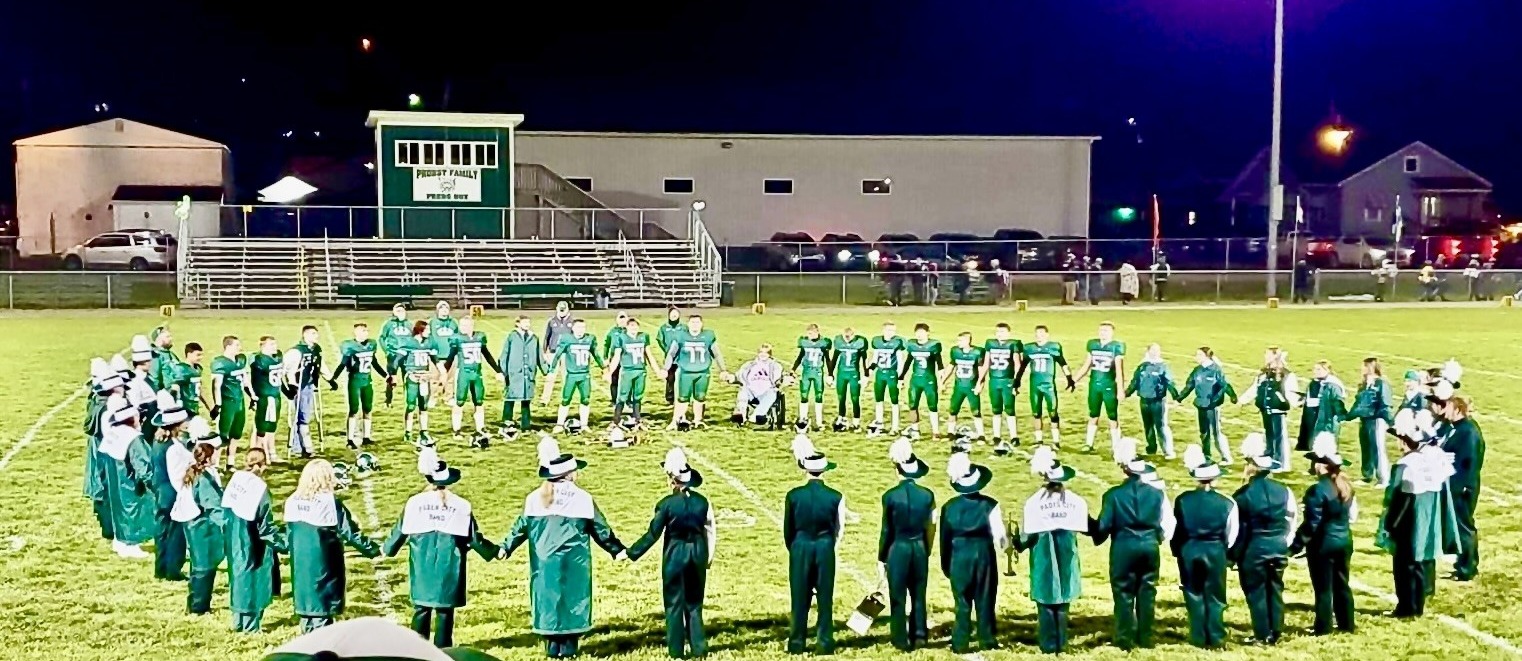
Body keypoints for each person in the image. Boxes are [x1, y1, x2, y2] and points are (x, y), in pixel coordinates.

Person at [501, 436, 627, 659]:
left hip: (544, 560)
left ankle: (552, 649)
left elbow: (521, 527)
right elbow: (600, 529)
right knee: (573, 600)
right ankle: (569, 649)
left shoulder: (534, 498)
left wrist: (505, 547)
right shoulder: (583, 498)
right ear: (570, 474)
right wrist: (616, 550)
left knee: (549, 600)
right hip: (574, 560)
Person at [384, 448, 499, 648]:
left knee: (422, 608)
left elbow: (400, 530)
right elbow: (474, 538)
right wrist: (494, 551)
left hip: (422, 564)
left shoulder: (415, 503)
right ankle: (444, 650)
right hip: (449, 566)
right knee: (445, 611)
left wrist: (387, 549)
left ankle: (417, 649)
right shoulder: (461, 505)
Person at [627, 449, 715, 659]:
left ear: (671, 479)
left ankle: (676, 650)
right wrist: (708, 559)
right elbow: (711, 532)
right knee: (694, 603)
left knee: (674, 603)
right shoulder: (703, 502)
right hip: (698, 552)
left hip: (675, 553)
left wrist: (631, 553)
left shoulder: (666, 504)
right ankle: (699, 648)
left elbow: (653, 534)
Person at [1091, 438, 1172, 650]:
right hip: (1149, 545)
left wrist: (1090, 526)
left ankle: (1124, 639)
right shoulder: (1157, 494)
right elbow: (1165, 523)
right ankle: (1146, 638)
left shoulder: (1113, 495)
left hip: (1124, 548)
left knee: (1123, 593)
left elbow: (1103, 527)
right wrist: (1155, 539)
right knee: (1147, 592)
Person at [1377, 412, 1459, 618]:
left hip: (1408, 521)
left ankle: (1406, 607)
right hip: (1424, 517)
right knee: (1419, 564)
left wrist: (1390, 526)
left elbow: (1398, 499)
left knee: (1404, 566)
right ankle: (1417, 606)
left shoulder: (1406, 465)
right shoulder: (1428, 459)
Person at [284, 459, 382, 632]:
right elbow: (350, 533)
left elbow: (288, 535)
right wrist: (374, 550)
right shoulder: (329, 503)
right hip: (324, 566)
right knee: (322, 615)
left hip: (300, 566)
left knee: (307, 614)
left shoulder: (292, 500)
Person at [1016, 448, 1086, 654]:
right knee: (1064, 600)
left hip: (1043, 555)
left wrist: (1017, 544)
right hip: (1067, 553)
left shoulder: (1034, 502)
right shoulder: (1075, 500)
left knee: (1046, 600)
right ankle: (1062, 643)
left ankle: (1048, 644)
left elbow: (1027, 536)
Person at [783, 435, 846, 655]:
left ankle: (796, 641)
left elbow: (788, 529)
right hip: (825, 547)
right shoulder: (836, 496)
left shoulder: (793, 495)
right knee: (825, 597)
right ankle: (825, 641)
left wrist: (796, 547)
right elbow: (840, 528)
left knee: (799, 596)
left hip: (800, 546)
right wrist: (830, 545)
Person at [1290, 433, 1358, 635]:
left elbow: (1312, 523)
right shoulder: (1346, 486)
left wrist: (1296, 545)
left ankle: (1323, 627)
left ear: (1321, 465)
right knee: (1342, 584)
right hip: (1344, 540)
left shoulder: (1317, 490)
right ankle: (1347, 623)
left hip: (1323, 544)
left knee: (1323, 588)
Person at [1231, 433, 1295, 645]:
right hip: (1278, 546)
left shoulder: (1242, 495)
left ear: (1251, 464)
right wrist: (1285, 541)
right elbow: (1291, 519)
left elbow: (1238, 531)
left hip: (1254, 550)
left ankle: (1261, 633)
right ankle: (1275, 630)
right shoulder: (1285, 490)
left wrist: (1233, 556)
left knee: (1256, 592)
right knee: (1275, 588)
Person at [1172, 446, 1238, 649]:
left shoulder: (1183, 499)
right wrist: (1224, 550)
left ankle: (1197, 635)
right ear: (1215, 478)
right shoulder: (1227, 502)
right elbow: (1232, 534)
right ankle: (1216, 635)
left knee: (1193, 592)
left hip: (1190, 549)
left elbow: (1177, 529)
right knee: (1216, 595)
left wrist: (1178, 551)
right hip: (1215, 549)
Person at [221, 447, 286, 633]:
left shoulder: (235, 480)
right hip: (253, 545)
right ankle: (251, 627)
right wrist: (284, 544)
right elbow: (265, 527)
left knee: (238, 579)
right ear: (264, 465)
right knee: (254, 583)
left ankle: (238, 622)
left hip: (234, 540)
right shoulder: (260, 490)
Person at [880, 437, 934, 651]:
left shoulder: (890, 496)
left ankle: (900, 638)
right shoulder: (927, 495)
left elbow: (887, 530)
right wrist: (927, 548)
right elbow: (931, 525)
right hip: (919, 547)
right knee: (919, 594)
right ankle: (920, 635)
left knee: (898, 595)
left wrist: (881, 557)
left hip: (898, 548)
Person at [175, 417, 226, 615]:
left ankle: (197, 604)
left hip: (193, 521)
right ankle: (198, 606)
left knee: (200, 564)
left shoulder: (197, 470)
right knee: (204, 564)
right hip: (200, 525)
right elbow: (212, 505)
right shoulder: (205, 476)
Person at [99, 388, 156, 559]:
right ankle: (130, 543)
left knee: (118, 509)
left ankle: (120, 540)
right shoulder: (133, 438)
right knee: (132, 509)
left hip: (113, 479)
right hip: (129, 482)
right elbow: (142, 467)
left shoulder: (113, 432)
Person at [1436, 394, 1484, 582]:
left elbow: (1471, 462)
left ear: (1457, 409)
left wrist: (1464, 486)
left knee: (1464, 526)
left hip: (1463, 487)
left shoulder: (1468, 432)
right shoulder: (1457, 429)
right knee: (1458, 525)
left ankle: (1468, 568)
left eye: (1447, 407)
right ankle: (1461, 563)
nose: (1444, 410)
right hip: (1455, 484)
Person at [149, 390, 191, 581]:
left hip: (159, 492)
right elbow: (176, 477)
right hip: (171, 494)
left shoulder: (158, 442)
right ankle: (173, 569)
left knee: (162, 532)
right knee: (175, 534)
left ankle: (161, 568)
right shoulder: (173, 447)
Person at [444, 316, 502, 447]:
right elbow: (451, 357)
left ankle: (480, 428)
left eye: (466, 325)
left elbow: (487, 355)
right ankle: (456, 430)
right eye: (462, 325)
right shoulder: (457, 339)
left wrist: (497, 370)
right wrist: (444, 372)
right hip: (463, 373)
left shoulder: (479, 337)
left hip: (477, 373)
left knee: (479, 402)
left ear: (472, 325)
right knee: (459, 402)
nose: (463, 328)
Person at [329, 323, 388, 449]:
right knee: (354, 410)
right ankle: (350, 439)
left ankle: (366, 437)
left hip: (367, 380)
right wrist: (333, 378)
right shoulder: (350, 346)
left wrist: (386, 376)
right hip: (355, 381)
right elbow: (343, 364)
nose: (366, 332)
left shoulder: (371, 344)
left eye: (366, 330)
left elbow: (375, 363)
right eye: (363, 330)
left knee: (368, 409)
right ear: (356, 333)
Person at [85, 358, 124, 543]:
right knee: (106, 487)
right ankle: (109, 528)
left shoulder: (95, 399)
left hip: (98, 449)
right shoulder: (105, 408)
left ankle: (107, 527)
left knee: (101, 487)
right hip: (104, 452)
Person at [665, 315, 727, 430]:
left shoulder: (708, 336)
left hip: (702, 372)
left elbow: (717, 354)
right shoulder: (681, 336)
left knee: (700, 397)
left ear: (702, 324)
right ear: (688, 324)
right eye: (692, 322)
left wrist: (723, 369)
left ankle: (698, 420)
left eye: (697, 322)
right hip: (685, 372)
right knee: (682, 398)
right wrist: (666, 368)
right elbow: (671, 353)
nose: (694, 325)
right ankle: (676, 420)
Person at [1176, 347, 1236, 464]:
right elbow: (1190, 385)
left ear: (1206, 356)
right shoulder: (1197, 370)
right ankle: (1207, 456)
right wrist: (1180, 398)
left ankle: (1226, 457)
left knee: (1216, 432)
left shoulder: (1216, 370)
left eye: (1199, 354)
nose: (1196, 357)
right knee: (1204, 433)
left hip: (1212, 407)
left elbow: (1224, 385)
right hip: (1201, 405)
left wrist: (1232, 396)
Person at [1017, 325, 1074, 447]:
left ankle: (1056, 441)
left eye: (1042, 334)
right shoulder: (1029, 348)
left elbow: (1063, 363)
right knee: (1036, 413)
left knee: (1053, 412)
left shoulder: (1053, 347)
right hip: (1034, 385)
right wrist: (1017, 381)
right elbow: (1022, 367)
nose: (1039, 336)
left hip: (1048, 385)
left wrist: (1069, 378)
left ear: (1047, 335)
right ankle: (1039, 441)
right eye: (1037, 334)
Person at [1076, 321, 1126, 453]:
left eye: (1106, 331)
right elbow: (1087, 365)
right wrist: (1073, 380)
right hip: (1094, 385)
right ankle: (1088, 443)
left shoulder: (1116, 346)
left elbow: (1120, 370)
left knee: (1112, 416)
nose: (1102, 333)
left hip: (1109, 385)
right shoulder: (1093, 344)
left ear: (1112, 332)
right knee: (1093, 414)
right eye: (1101, 330)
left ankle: (1116, 446)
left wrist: (1120, 389)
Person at [1248, 348, 1298, 472]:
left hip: (1278, 410)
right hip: (1265, 409)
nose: (1265, 357)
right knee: (1269, 435)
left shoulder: (1286, 375)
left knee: (1279, 437)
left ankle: (1281, 462)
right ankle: (1270, 456)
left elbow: (1291, 392)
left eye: (1268, 354)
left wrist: (1298, 403)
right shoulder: (1264, 374)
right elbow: (1255, 388)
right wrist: (1243, 400)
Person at [1126, 344, 1180, 458]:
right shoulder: (1142, 366)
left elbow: (1170, 382)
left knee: (1161, 426)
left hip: (1158, 401)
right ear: (1148, 351)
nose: (1155, 352)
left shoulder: (1162, 366)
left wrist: (1176, 397)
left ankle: (1167, 451)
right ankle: (1151, 449)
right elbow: (1135, 382)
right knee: (1148, 426)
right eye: (1153, 350)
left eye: (1157, 350)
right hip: (1144, 400)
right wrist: (1126, 394)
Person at [211, 336, 255, 470]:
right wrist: (217, 404)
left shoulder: (240, 361)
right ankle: (216, 464)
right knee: (222, 435)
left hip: (239, 401)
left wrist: (252, 396)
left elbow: (246, 381)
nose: (239, 348)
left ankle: (230, 463)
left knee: (236, 434)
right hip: (227, 402)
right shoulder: (220, 363)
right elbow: (216, 385)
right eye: (236, 345)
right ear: (228, 347)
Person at [398, 321, 445, 447]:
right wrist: (392, 374)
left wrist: (442, 371)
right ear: (420, 330)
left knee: (423, 405)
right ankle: (408, 431)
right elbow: (397, 359)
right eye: (427, 329)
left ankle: (424, 431)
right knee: (411, 405)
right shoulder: (409, 343)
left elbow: (435, 358)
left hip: (424, 376)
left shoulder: (430, 342)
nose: (429, 332)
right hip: (412, 376)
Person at [606, 317, 658, 427]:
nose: (634, 328)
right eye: (631, 326)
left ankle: (637, 418)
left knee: (638, 395)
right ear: (627, 327)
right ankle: (616, 419)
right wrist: (610, 372)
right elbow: (616, 356)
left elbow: (649, 355)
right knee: (622, 395)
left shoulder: (643, 337)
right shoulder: (622, 338)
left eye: (635, 326)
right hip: (627, 370)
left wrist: (657, 370)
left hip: (640, 370)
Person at [1349, 357, 1394, 487]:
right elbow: (1359, 403)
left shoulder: (1381, 384)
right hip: (1364, 419)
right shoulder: (1363, 384)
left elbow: (1385, 403)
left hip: (1376, 419)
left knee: (1377, 448)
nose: (1361, 369)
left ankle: (1383, 478)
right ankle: (1367, 475)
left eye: (1364, 366)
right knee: (1366, 447)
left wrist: (1389, 420)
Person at [982, 323, 1023, 451]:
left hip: (1008, 380)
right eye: (998, 332)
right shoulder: (990, 343)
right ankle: (996, 435)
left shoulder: (1014, 344)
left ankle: (1014, 436)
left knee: (1010, 409)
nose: (1000, 334)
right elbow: (986, 364)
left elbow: (1017, 365)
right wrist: (980, 381)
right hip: (994, 380)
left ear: (1009, 333)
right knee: (996, 409)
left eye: (1003, 332)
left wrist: (1017, 382)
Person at [500, 315, 544, 433]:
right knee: (510, 398)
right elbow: (505, 354)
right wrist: (503, 371)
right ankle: (507, 421)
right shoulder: (512, 337)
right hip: (514, 373)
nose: (527, 324)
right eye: (524, 322)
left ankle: (525, 424)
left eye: (528, 322)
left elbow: (539, 355)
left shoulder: (534, 338)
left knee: (526, 400)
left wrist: (545, 369)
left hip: (528, 374)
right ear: (518, 324)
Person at [287, 325, 324, 458]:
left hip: (309, 384)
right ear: (305, 335)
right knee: (301, 416)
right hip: (299, 386)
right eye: (313, 334)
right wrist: (291, 385)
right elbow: (287, 369)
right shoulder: (296, 351)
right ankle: (302, 446)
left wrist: (330, 379)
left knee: (305, 415)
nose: (316, 336)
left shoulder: (316, 349)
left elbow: (320, 365)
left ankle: (301, 446)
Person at [902, 323, 945, 436]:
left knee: (932, 406)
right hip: (915, 379)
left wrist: (942, 381)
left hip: (929, 379)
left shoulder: (933, 345)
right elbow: (908, 361)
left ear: (928, 333)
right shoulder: (912, 345)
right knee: (912, 405)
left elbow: (939, 364)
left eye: (922, 332)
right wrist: (901, 377)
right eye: (917, 333)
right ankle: (915, 430)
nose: (919, 335)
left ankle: (936, 432)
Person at [250, 336, 285, 461]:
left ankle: (271, 452)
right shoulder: (259, 360)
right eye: (271, 345)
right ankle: (261, 454)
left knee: (271, 426)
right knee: (262, 427)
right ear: (263, 346)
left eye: (275, 344)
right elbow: (253, 379)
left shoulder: (277, 357)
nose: (275, 347)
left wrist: (286, 390)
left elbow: (280, 377)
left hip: (275, 395)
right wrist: (253, 397)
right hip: (265, 396)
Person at [867, 322, 906, 433]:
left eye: (893, 331)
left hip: (892, 373)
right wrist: (869, 371)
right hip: (880, 374)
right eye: (889, 330)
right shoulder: (877, 342)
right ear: (883, 330)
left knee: (894, 400)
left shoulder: (897, 343)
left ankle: (895, 426)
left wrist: (900, 377)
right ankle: (879, 422)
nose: (891, 333)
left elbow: (900, 361)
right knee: (879, 399)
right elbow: (875, 359)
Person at [732, 344, 783, 426]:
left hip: (766, 390)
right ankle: (741, 414)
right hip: (750, 389)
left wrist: (782, 381)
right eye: (761, 352)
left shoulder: (775, 366)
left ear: (769, 355)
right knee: (743, 391)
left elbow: (778, 377)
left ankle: (757, 415)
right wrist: (732, 378)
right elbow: (740, 375)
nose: (763, 354)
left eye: (766, 353)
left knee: (772, 394)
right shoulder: (749, 364)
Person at [792, 324, 831, 430]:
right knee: (804, 394)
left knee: (819, 395)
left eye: (812, 333)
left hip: (817, 371)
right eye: (808, 333)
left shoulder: (823, 343)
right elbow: (800, 357)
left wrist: (830, 374)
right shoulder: (805, 343)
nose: (810, 335)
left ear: (817, 332)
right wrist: (793, 369)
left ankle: (819, 420)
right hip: (806, 371)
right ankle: (803, 417)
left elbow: (827, 359)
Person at [830, 327, 868, 432]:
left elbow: (864, 359)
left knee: (855, 398)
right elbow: (834, 359)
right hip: (841, 373)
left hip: (853, 373)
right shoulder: (839, 342)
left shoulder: (860, 342)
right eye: (845, 337)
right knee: (841, 397)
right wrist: (830, 374)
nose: (847, 339)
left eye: (849, 337)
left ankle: (856, 422)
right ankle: (841, 417)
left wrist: (866, 375)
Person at [540, 301, 576, 406]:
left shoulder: (572, 322)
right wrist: (544, 351)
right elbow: (547, 337)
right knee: (550, 376)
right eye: (560, 310)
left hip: (566, 354)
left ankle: (566, 398)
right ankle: (545, 399)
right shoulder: (551, 321)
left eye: (563, 310)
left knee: (566, 377)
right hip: (553, 353)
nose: (561, 312)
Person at [428, 301, 462, 401]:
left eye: (446, 308)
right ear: (437, 310)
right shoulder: (432, 322)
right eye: (442, 309)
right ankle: (433, 397)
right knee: (434, 378)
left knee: (450, 379)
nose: (444, 311)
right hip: (436, 356)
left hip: (450, 355)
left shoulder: (453, 323)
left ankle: (449, 397)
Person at [657, 305, 684, 405]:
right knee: (670, 377)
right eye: (672, 315)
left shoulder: (683, 327)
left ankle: (682, 395)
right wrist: (666, 350)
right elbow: (660, 340)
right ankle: (670, 397)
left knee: (681, 376)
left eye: (676, 314)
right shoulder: (664, 328)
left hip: (681, 357)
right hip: (670, 357)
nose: (674, 316)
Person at [171, 342, 207, 417]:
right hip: (184, 408)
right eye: (198, 355)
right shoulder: (181, 369)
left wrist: (210, 408)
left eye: (201, 355)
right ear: (189, 354)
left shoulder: (197, 369)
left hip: (194, 407)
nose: (200, 357)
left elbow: (199, 390)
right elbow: (175, 388)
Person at [380, 303, 414, 379]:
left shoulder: (410, 324)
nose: (400, 313)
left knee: (407, 377)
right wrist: (386, 351)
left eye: (402, 311)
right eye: (398, 311)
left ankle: (406, 390)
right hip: (393, 354)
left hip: (407, 355)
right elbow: (381, 338)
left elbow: (414, 338)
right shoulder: (389, 324)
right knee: (391, 377)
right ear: (394, 312)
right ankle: (389, 390)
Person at [602, 312, 629, 402]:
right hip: (614, 358)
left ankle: (628, 399)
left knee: (628, 379)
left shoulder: (629, 331)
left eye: (624, 318)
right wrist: (605, 357)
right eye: (620, 318)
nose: (622, 321)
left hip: (627, 358)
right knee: (614, 378)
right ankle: (614, 399)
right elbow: (607, 344)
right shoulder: (612, 332)